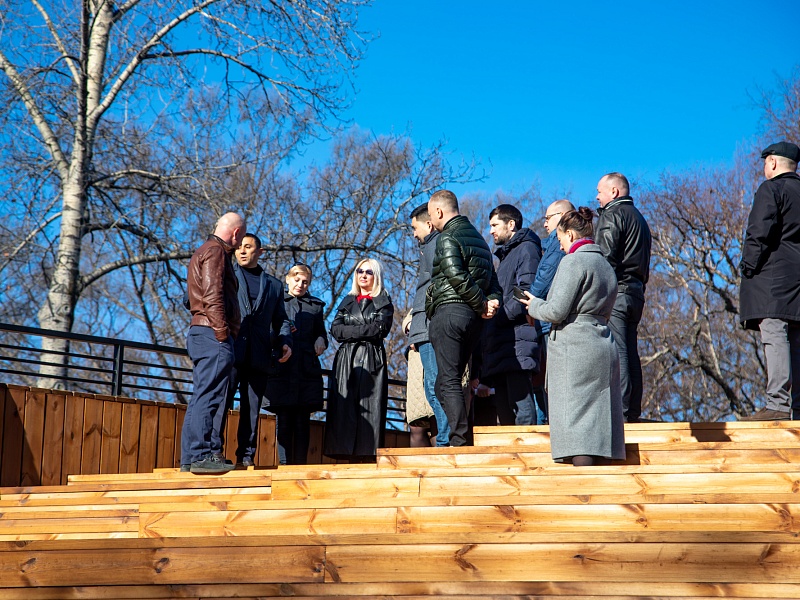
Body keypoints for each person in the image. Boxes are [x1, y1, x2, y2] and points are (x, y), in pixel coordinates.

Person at [519, 207, 625, 466]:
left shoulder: (572, 262)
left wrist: (533, 305)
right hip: (603, 343)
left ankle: (582, 489)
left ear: (570, 234)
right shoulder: (605, 265)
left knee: (577, 428)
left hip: (574, 349)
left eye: (560, 239)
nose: (560, 246)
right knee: (599, 430)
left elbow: (556, 311)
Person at [426, 189, 503, 446]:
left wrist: (483, 304)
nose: (431, 221)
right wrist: (491, 303)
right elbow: (494, 283)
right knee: (445, 384)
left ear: (439, 211)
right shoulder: (481, 241)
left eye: (431, 215)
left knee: (447, 381)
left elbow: (456, 275)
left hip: (450, 313)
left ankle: (459, 442)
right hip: (473, 320)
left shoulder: (448, 236)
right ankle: (461, 436)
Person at [211, 233, 292, 467]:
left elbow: (281, 320)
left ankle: (246, 457)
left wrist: (285, 341)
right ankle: (214, 452)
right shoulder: (226, 275)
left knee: (252, 409)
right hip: (230, 350)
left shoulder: (275, 285)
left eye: (248, 247)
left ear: (260, 252)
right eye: (239, 247)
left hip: (260, 354)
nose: (242, 251)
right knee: (222, 402)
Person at [739, 141, 800, 421]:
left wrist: (748, 266)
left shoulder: (771, 189)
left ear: (773, 162)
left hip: (773, 279)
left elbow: (759, 231)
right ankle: (797, 407)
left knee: (775, 335)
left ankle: (777, 404)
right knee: (796, 341)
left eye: (766, 162)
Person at [181, 212, 245, 474]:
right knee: (209, 396)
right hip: (211, 333)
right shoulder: (216, 251)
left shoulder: (203, 250)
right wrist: (222, 333)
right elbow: (212, 296)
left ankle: (191, 458)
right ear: (236, 233)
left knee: (201, 395)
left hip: (200, 332)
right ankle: (201, 455)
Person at [473, 204, 541, 425]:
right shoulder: (507, 255)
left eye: (495, 225)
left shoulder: (527, 249)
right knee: (505, 415)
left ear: (511, 224)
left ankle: (529, 449)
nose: (491, 230)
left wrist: (496, 316)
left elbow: (525, 293)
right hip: (502, 344)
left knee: (523, 411)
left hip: (517, 341)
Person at [324, 258, 394, 461]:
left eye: (369, 272)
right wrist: (361, 331)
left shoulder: (383, 301)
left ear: (376, 276)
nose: (363, 275)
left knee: (370, 409)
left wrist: (350, 332)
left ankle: (366, 457)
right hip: (346, 360)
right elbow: (336, 330)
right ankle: (345, 455)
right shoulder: (347, 300)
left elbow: (379, 330)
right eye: (359, 271)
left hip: (371, 360)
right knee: (344, 410)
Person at [595, 172, 651, 423]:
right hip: (636, 292)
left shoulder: (612, 214)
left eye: (600, 191)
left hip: (617, 292)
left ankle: (622, 412)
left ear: (614, 192)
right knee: (630, 350)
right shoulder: (640, 218)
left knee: (618, 351)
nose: (597, 197)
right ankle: (632, 409)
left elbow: (604, 259)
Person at [265, 263, 328, 463]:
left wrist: (321, 340)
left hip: (306, 370)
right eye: (297, 279)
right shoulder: (276, 301)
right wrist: (279, 335)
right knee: (283, 420)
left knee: (302, 421)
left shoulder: (315, 306)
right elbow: (266, 331)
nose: (300, 284)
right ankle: (284, 466)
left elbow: (321, 333)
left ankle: (300, 466)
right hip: (282, 369)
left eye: (305, 282)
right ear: (288, 279)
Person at [406, 203, 450, 446]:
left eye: (415, 228)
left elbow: (436, 288)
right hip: (424, 327)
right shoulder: (428, 248)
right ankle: (445, 439)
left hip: (431, 327)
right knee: (434, 386)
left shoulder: (436, 245)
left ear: (429, 224)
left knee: (436, 386)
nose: (414, 234)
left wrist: (421, 328)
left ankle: (445, 441)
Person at [530, 199, 575, 425]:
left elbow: (543, 280)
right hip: (547, 320)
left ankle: (553, 427)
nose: (545, 223)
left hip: (550, 321)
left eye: (548, 218)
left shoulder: (557, 246)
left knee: (553, 381)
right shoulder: (550, 246)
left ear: (562, 216)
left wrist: (528, 301)